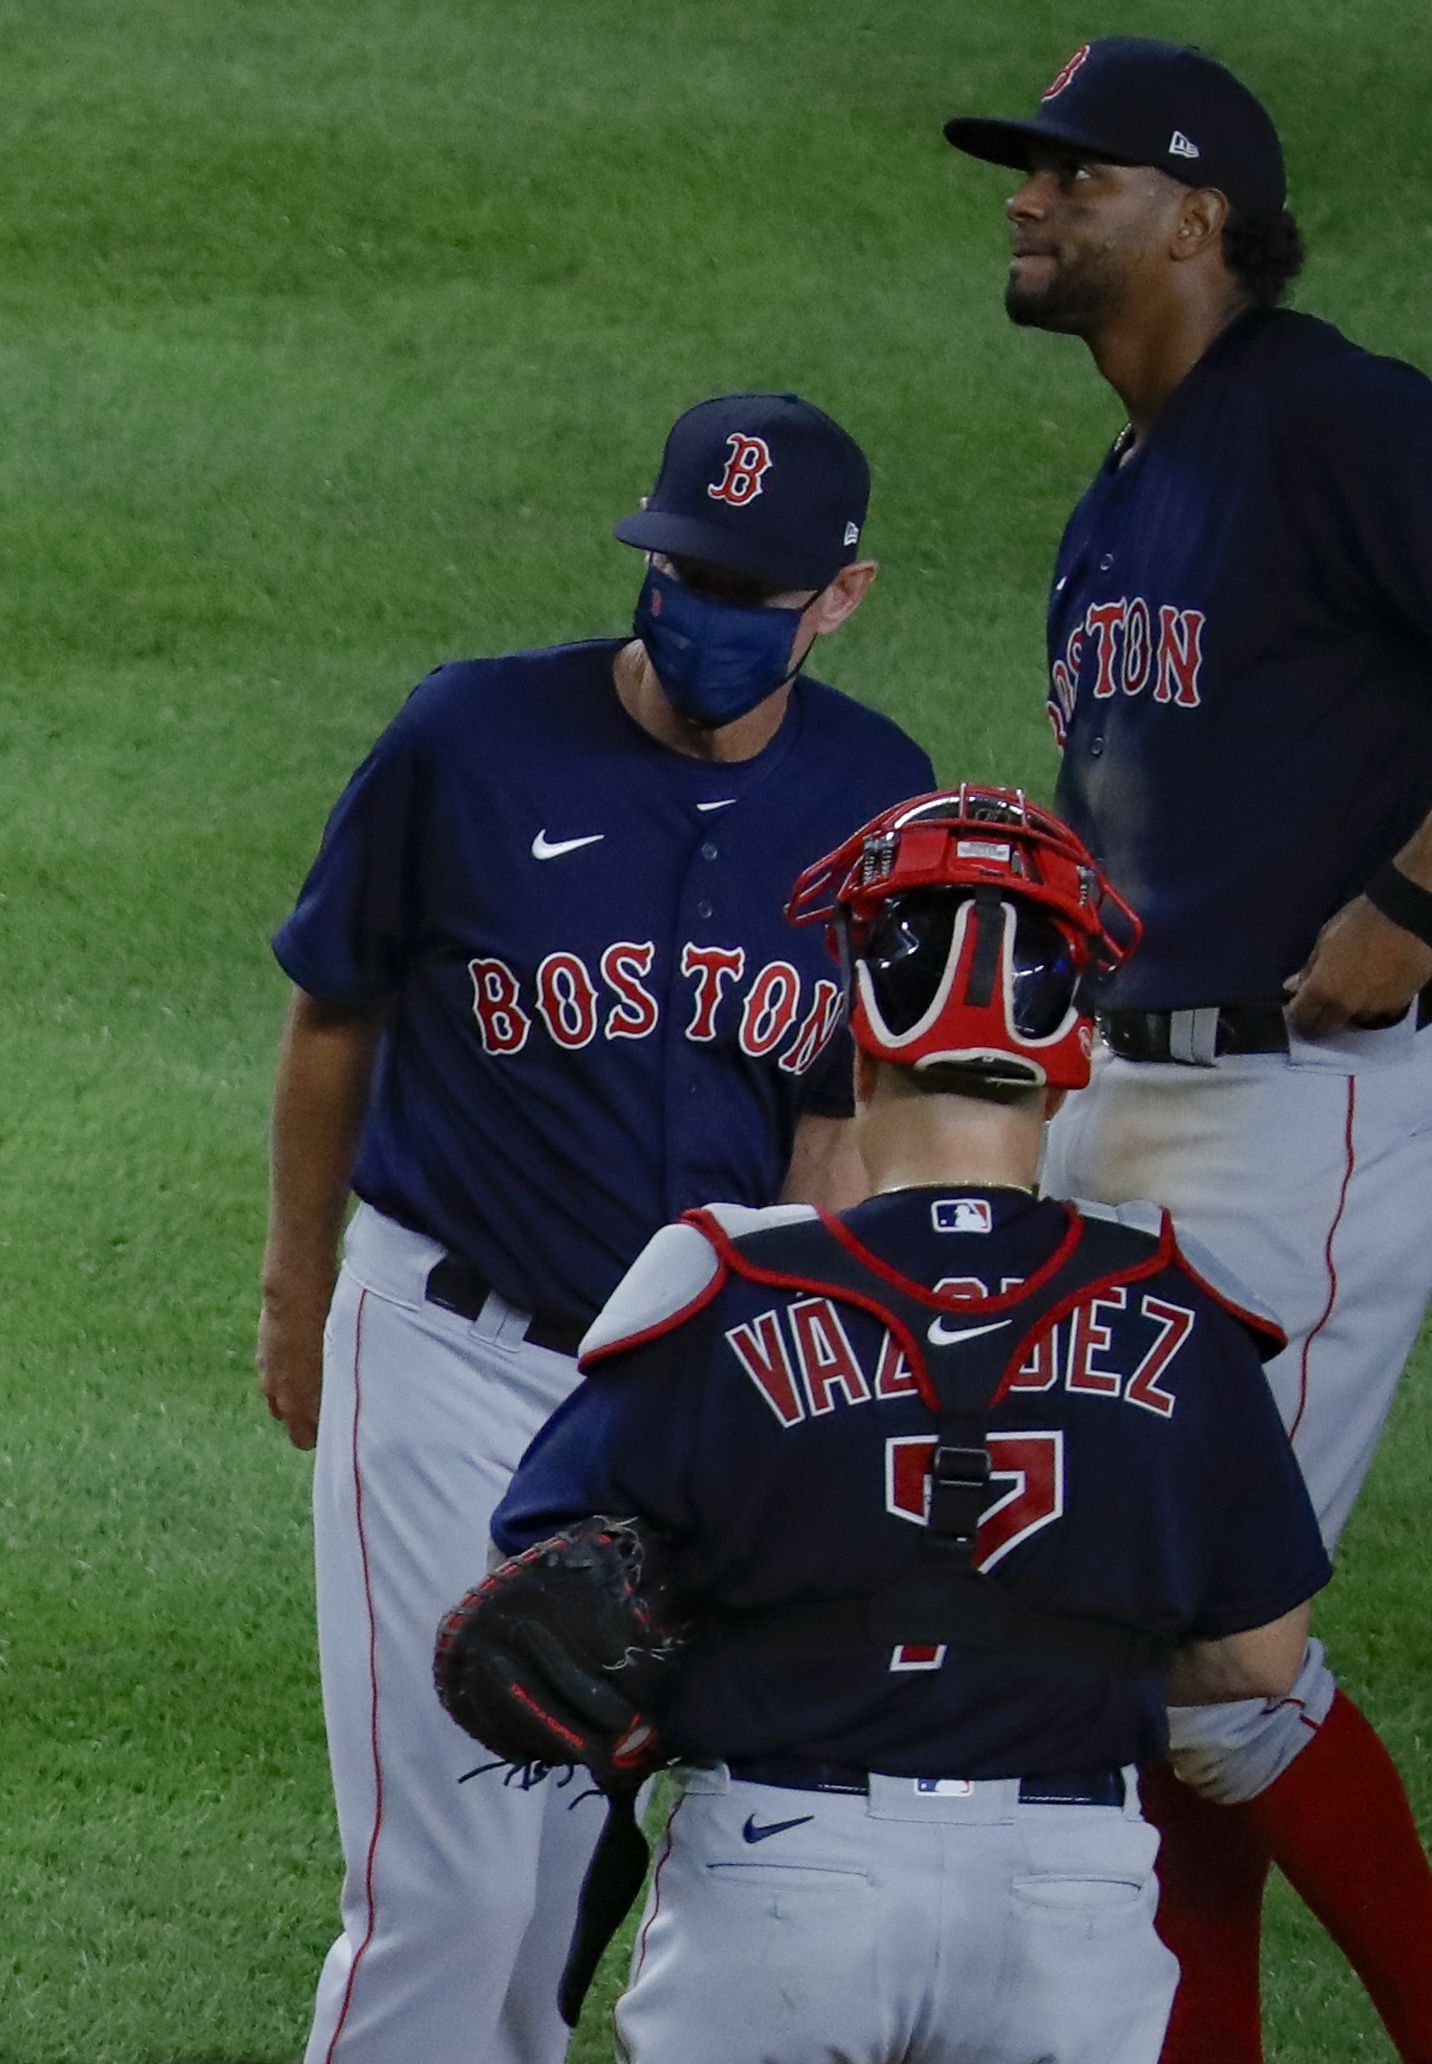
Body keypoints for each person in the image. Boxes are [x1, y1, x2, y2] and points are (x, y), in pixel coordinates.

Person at [257, 393, 934, 2064]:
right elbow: (331, 1010)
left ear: (837, 599)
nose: (698, 613)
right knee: (446, 1889)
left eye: (745, 591)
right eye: (679, 567)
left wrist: (832, 1356)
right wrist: (293, 1289)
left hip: (698, 1391)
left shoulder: (875, 792)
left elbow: (839, 1114)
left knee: (567, 1876)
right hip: (446, 1354)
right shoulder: (469, 740)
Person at [497, 786, 1330, 2064]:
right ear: (1068, 1071)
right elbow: (1263, 1661)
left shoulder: (717, 1281)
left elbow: (542, 1598)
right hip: (1072, 1897)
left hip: (788, 1878)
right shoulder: (1178, 1300)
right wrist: (1045, 1662)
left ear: (859, 1048)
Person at [945, 39, 1432, 2059]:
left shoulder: (1338, 422)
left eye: (1078, 172)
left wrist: (1414, 904)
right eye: (1025, 171)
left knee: (1216, 1657)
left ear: (1202, 214)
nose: (1027, 198)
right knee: (1108, 1646)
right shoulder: (1127, 487)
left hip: (1303, 1121)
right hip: (1131, 1106)